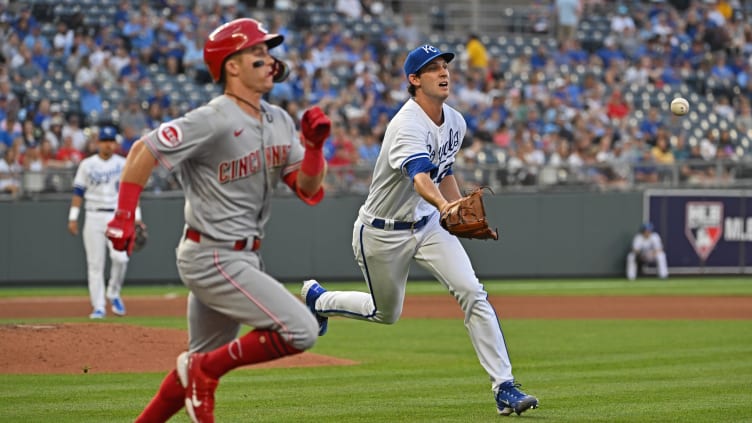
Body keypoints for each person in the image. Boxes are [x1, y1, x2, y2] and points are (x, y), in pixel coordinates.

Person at [105, 18, 331, 423]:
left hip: (242, 258)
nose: (268, 59)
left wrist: (314, 148)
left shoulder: (278, 119)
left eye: (268, 52)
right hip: (210, 255)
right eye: (257, 52)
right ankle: (206, 373)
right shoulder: (214, 117)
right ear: (232, 66)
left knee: (194, 360)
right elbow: (144, 149)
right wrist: (123, 214)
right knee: (302, 330)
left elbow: (308, 189)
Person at [300, 44, 539, 417]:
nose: (443, 72)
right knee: (385, 313)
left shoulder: (455, 122)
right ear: (414, 80)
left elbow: (443, 174)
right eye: (432, 68)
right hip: (382, 232)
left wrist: (455, 206)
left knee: (472, 292)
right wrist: (446, 207)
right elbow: (420, 178)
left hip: (428, 225)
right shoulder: (406, 125)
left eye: (445, 66)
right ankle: (319, 300)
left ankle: (504, 387)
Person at [68, 126, 140, 318]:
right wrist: (73, 217)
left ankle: (114, 292)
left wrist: (137, 217)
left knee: (121, 258)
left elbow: (131, 193)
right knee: (95, 264)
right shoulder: (87, 164)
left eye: (111, 140)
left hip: (117, 216)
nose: (107, 144)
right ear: (98, 143)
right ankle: (98, 306)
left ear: (115, 143)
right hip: (93, 215)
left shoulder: (124, 163)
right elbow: (78, 192)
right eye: (104, 140)